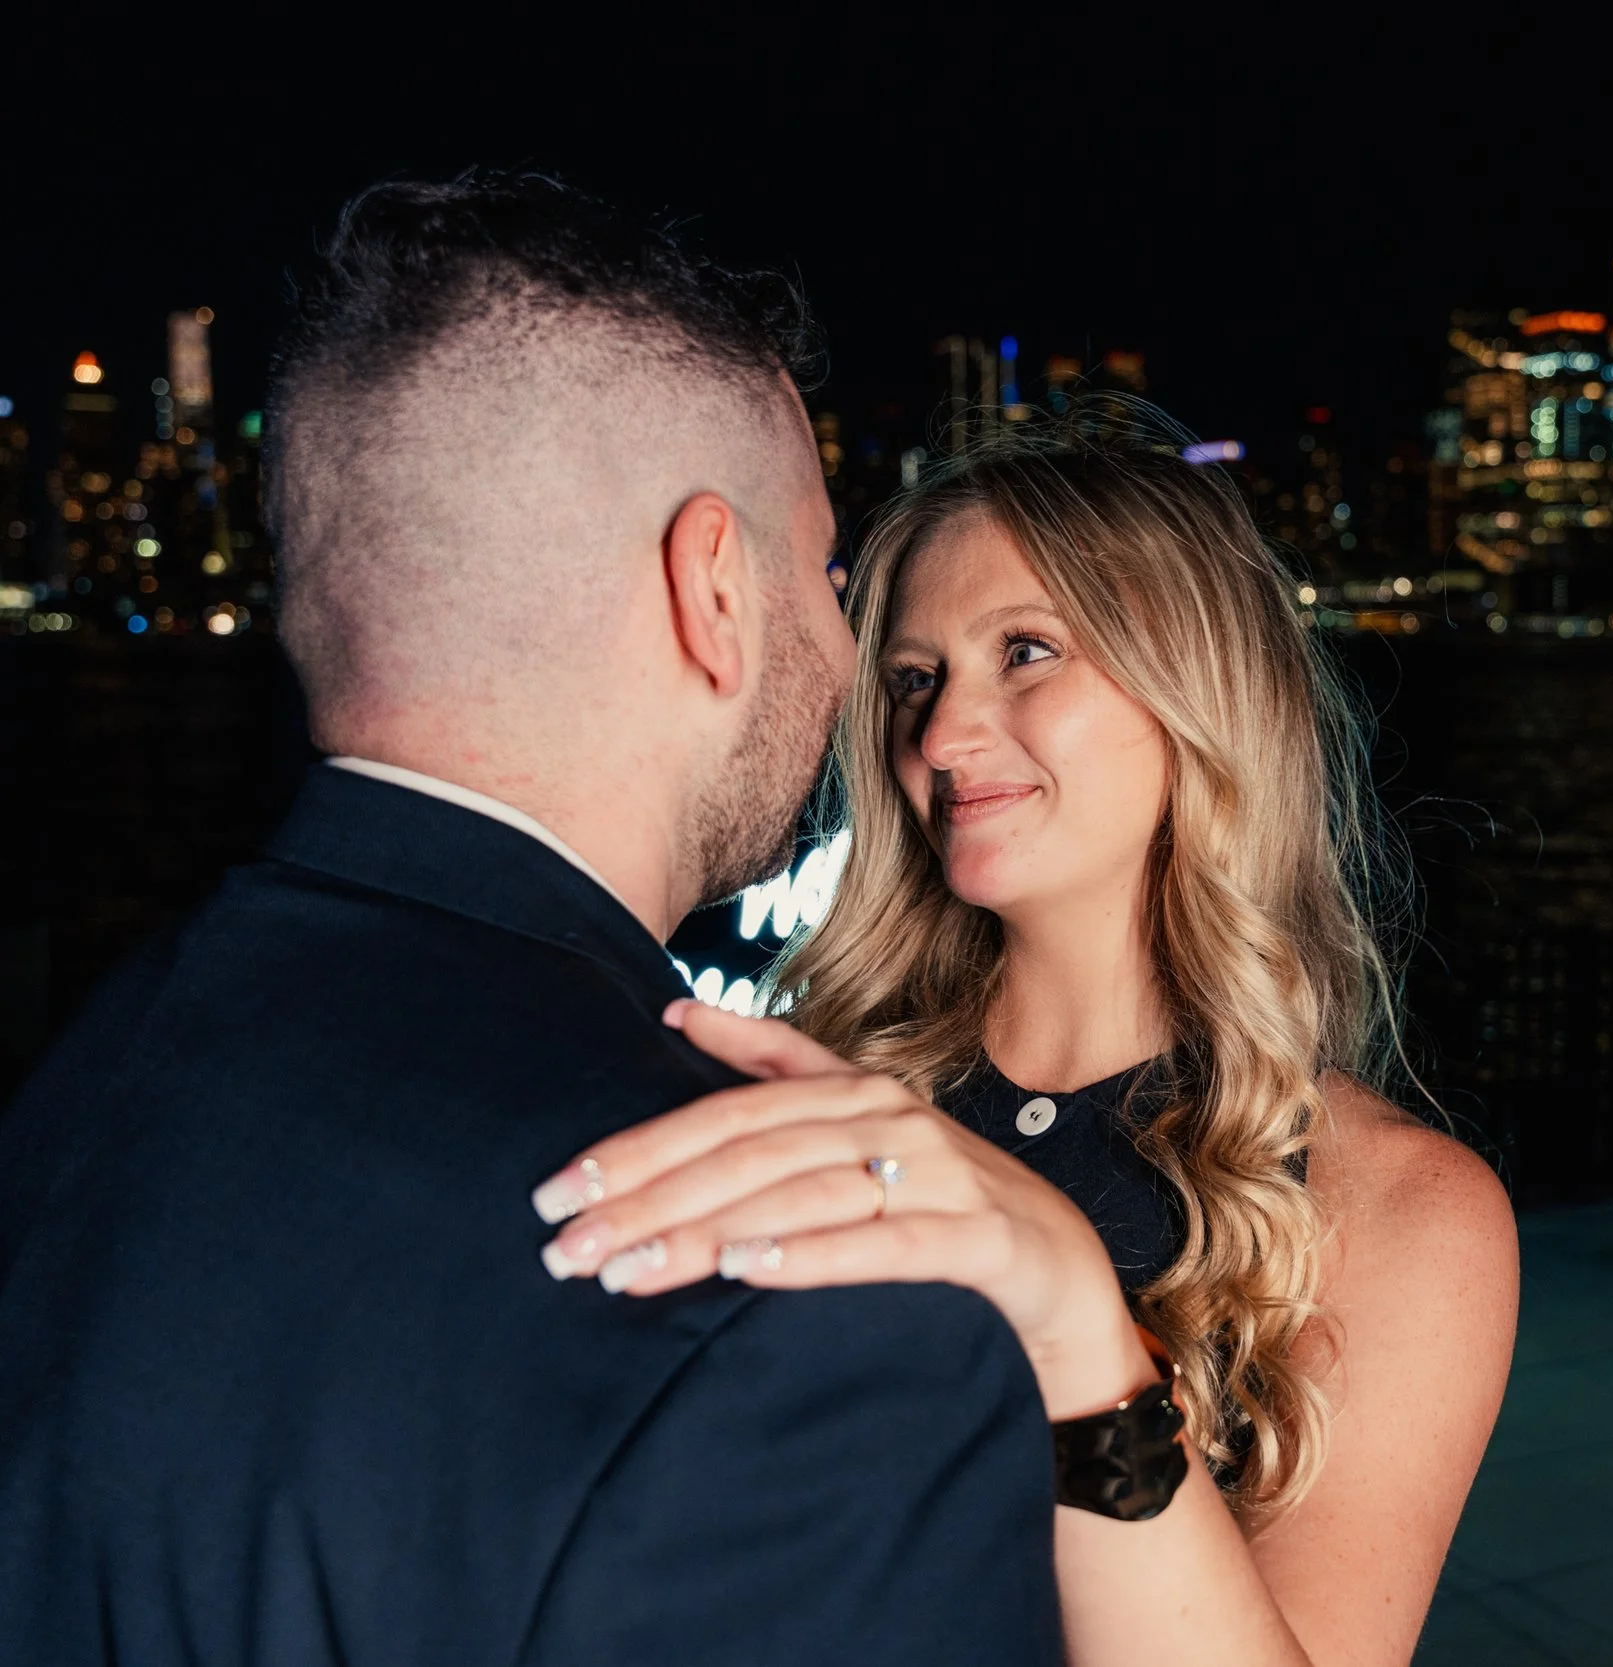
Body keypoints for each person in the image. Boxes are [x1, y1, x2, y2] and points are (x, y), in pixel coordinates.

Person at [0, 171, 1061, 1665]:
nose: (844, 644)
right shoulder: (805, 1306)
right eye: (826, 573)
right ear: (714, 590)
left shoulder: (85, 1072)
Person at [530, 424, 1522, 1665]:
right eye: (912, 677)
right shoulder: (805, 1094)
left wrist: (1076, 1329)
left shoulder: (1402, 1210)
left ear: (1196, 683)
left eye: (1025, 651)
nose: (943, 737)